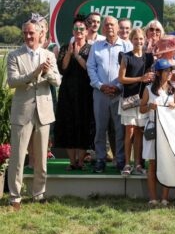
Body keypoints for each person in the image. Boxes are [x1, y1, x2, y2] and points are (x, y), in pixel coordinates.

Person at [7, 19, 61, 210]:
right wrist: (35, 72)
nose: (28, 36)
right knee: (18, 156)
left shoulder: (48, 55)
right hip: (23, 112)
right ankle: (15, 195)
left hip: (44, 112)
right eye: (25, 33)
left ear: (40, 34)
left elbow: (58, 81)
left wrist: (46, 73)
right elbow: (12, 81)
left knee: (41, 157)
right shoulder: (14, 55)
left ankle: (38, 193)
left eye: (31, 33)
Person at [87, 16, 132, 173]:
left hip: (119, 93)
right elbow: (91, 67)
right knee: (100, 128)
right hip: (100, 93)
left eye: (112, 24)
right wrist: (100, 86)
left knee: (119, 128)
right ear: (103, 28)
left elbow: (131, 68)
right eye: (106, 25)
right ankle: (100, 158)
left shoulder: (126, 46)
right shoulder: (96, 46)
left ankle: (120, 159)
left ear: (118, 27)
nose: (109, 27)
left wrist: (119, 86)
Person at [55, 16, 94, 171]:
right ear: (73, 31)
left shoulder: (92, 49)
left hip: (85, 92)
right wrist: (70, 53)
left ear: (86, 31)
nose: (79, 32)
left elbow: (90, 69)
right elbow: (62, 69)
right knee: (69, 125)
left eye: (81, 29)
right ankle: (72, 162)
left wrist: (78, 55)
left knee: (84, 124)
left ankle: (81, 161)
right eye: (76, 29)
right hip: (68, 93)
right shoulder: (65, 47)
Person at [139, 59, 175, 207]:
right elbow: (141, 109)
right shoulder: (148, 89)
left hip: (168, 131)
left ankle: (165, 198)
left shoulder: (174, 90)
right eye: (166, 71)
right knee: (152, 164)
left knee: (166, 164)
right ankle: (153, 198)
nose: (169, 73)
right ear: (158, 72)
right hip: (152, 129)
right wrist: (150, 106)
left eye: (170, 71)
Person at [118, 28, 155, 175]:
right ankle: (127, 164)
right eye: (136, 39)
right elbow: (121, 78)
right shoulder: (125, 57)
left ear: (144, 40)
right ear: (131, 40)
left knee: (139, 132)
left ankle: (138, 164)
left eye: (141, 39)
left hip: (143, 100)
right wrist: (141, 78)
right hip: (129, 99)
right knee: (129, 131)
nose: (139, 41)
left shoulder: (149, 57)